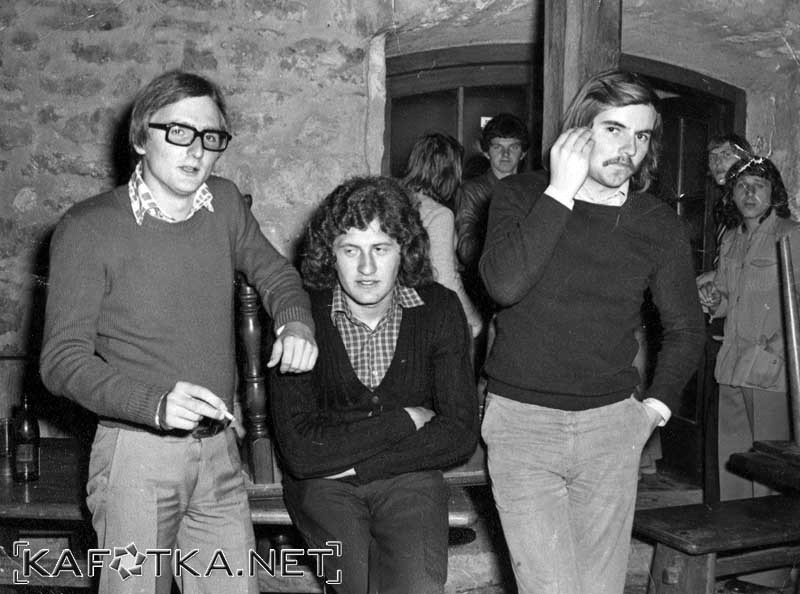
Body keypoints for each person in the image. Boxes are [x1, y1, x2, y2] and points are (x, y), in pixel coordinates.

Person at [40, 70, 318, 594]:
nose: (196, 151)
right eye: (179, 132)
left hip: (219, 453)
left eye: (211, 137)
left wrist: (295, 321)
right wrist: (156, 404)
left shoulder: (225, 204)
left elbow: (277, 275)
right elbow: (62, 361)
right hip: (135, 456)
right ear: (141, 137)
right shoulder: (87, 228)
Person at [478, 70, 706, 594]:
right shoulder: (520, 195)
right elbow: (504, 285)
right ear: (578, 132)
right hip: (523, 426)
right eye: (614, 129)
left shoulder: (656, 222)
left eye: (641, 135)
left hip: (611, 428)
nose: (628, 149)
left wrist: (652, 412)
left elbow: (686, 328)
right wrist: (560, 191)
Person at [270, 175, 479, 594]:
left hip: (408, 478)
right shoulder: (302, 317)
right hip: (323, 487)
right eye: (351, 250)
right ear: (330, 254)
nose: (366, 268)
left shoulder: (438, 308)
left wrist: (357, 465)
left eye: (381, 249)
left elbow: (459, 434)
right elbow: (301, 454)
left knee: (416, 587)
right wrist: (406, 420)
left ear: (405, 250)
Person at [699, 156, 798, 592]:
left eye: (759, 184)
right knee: (736, 469)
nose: (750, 193)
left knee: (772, 473)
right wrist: (712, 299)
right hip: (733, 368)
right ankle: (739, 564)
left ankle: (770, 576)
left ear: (774, 192)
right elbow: (726, 299)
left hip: (774, 373)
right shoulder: (732, 239)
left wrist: (780, 349)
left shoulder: (792, 235)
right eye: (742, 186)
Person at [401, 132, 483, 338]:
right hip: (424, 318)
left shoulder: (396, 200)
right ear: (451, 172)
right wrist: (473, 319)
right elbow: (445, 278)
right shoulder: (440, 215)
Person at [455, 113, 529, 276]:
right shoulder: (472, 191)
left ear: (523, 153)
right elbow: (466, 251)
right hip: (487, 276)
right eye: (497, 147)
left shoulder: (532, 189)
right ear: (486, 152)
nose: (505, 154)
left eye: (513, 147)